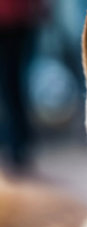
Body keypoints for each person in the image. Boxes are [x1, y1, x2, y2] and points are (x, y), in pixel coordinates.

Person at [0, 0, 47, 171]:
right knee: (14, 83)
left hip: (17, 19)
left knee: (11, 83)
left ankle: (16, 141)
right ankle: (18, 142)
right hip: (21, 18)